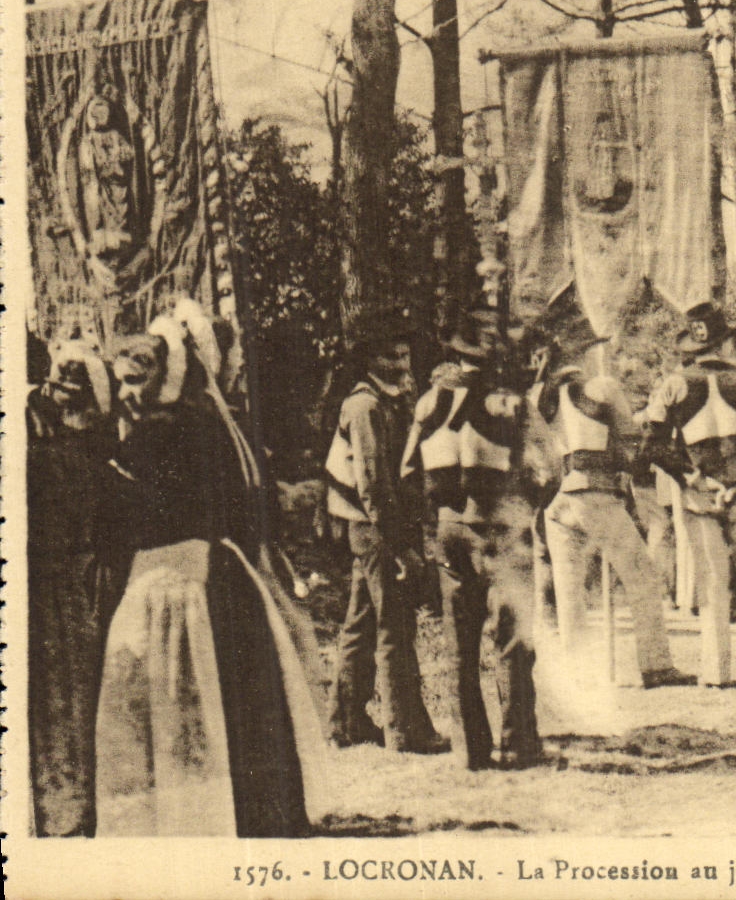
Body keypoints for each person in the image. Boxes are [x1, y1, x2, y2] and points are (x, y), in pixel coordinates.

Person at [96, 301, 326, 835]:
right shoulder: (216, 424)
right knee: (242, 693)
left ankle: (229, 815)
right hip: (225, 572)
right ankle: (263, 809)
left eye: (138, 382)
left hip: (185, 579)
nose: (130, 394)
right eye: (125, 383)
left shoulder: (165, 434)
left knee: (202, 695)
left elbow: (124, 518)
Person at [402, 316, 541, 770]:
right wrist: (531, 508)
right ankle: (518, 743)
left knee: (460, 644)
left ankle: (470, 751)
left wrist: (429, 519)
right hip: (499, 525)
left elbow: (406, 470)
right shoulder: (512, 404)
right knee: (513, 638)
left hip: (450, 527)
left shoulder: (428, 402)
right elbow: (552, 468)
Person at [642, 303, 736, 686]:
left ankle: (716, 673)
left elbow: (652, 447)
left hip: (699, 492)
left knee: (711, 583)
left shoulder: (674, 384)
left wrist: (692, 478)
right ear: (725, 343)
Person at [530, 322, 679, 702]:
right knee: (641, 576)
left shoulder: (538, 397)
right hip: (596, 492)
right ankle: (656, 664)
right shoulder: (602, 388)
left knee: (569, 590)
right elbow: (632, 442)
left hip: (556, 498)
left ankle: (578, 673)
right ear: (584, 354)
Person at [323, 326, 448, 754]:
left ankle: (346, 720)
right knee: (395, 622)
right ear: (370, 361)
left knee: (361, 622)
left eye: (404, 355)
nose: (400, 364)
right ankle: (405, 728)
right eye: (390, 356)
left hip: (377, 523)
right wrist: (399, 547)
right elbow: (373, 485)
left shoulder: (391, 402)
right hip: (373, 525)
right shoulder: (364, 406)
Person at [28, 336, 117, 836]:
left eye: (73, 386)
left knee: (71, 686)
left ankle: (71, 800)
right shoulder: (37, 433)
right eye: (57, 382)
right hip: (49, 573)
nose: (62, 393)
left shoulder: (87, 444)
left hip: (72, 576)